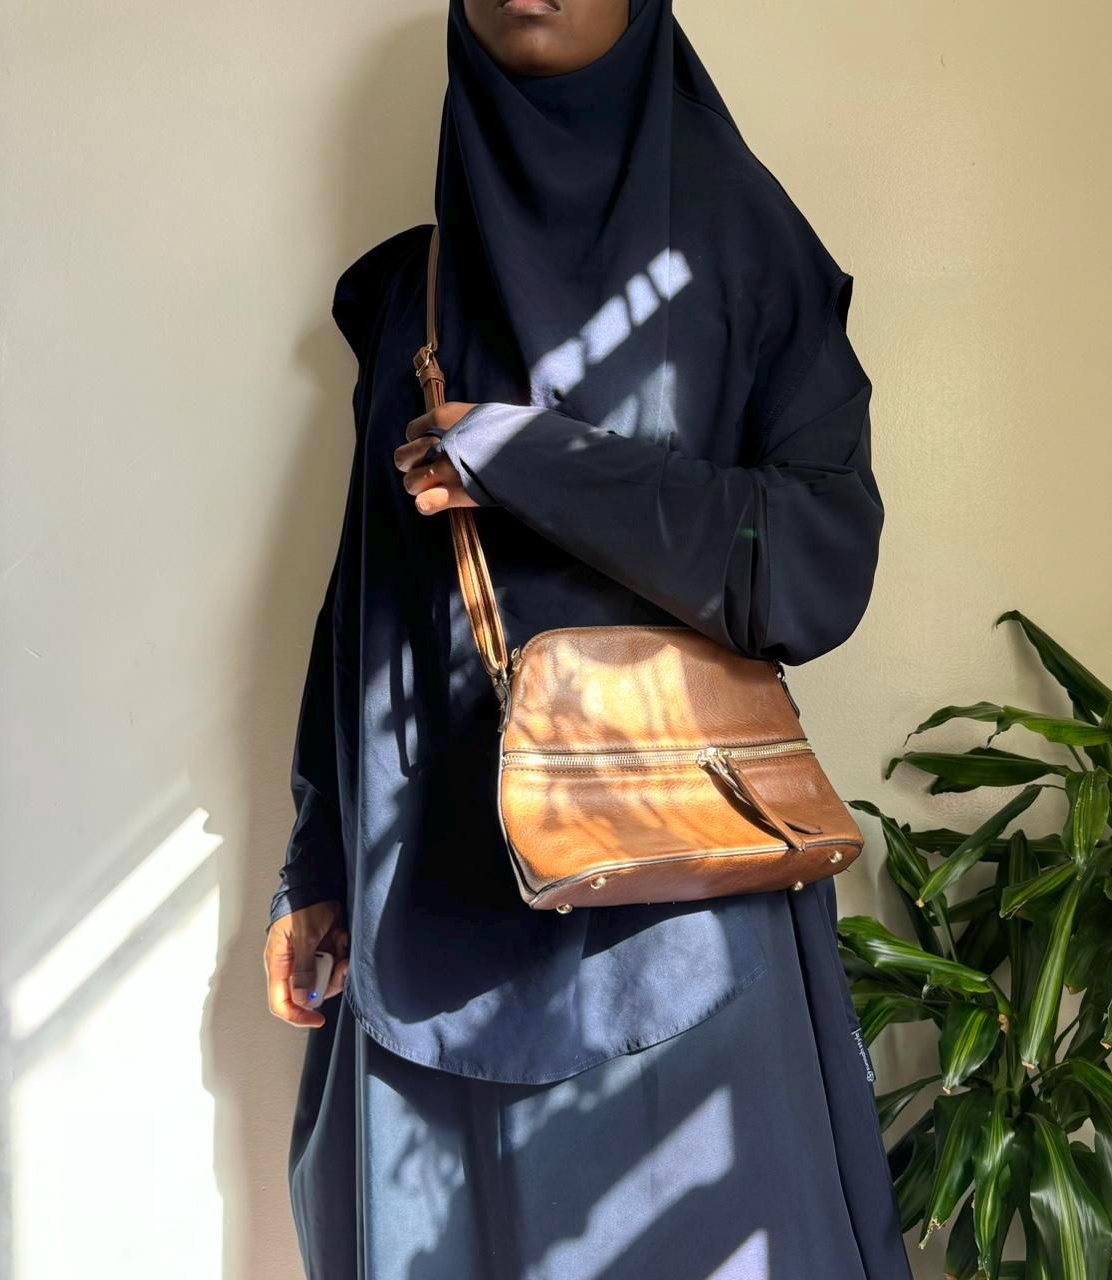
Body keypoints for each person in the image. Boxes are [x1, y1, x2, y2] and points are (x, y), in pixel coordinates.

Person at [262, 0, 911, 1275]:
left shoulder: (739, 252)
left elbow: (818, 564)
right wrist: (314, 860)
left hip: (678, 928)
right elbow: (367, 607)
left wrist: (534, 461)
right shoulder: (413, 298)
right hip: (426, 916)